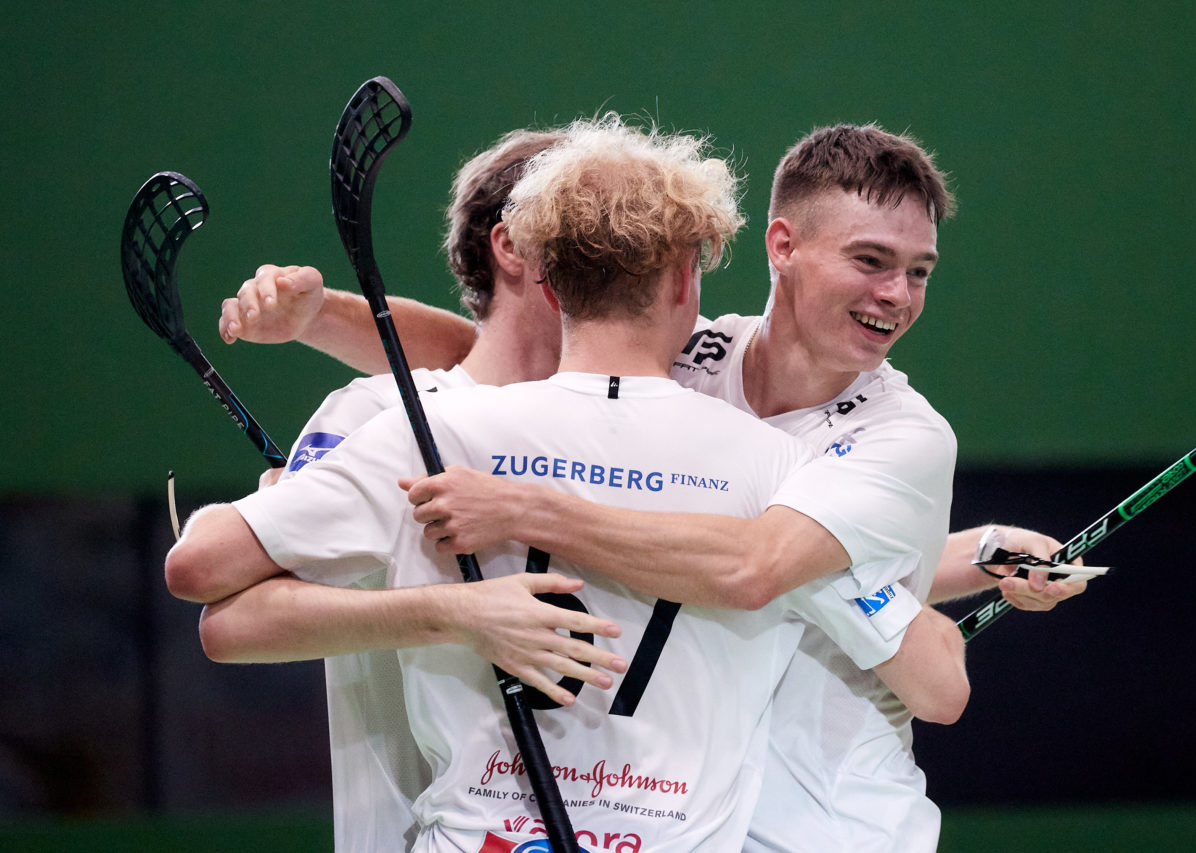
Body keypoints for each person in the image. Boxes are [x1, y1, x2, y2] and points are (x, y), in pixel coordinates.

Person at [169, 115, 941, 851]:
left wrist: (520, 511)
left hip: (815, 826)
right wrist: (322, 317)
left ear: (549, 276)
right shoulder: (757, 435)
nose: (897, 294)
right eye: (871, 260)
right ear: (687, 279)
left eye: (917, 271)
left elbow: (760, 568)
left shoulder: (433, 437)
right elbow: (473, 351)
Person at [194, 128, 629, 853]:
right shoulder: (376, 418)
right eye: (595, 234)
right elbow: (229, 621)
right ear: (512, 248)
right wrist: (455, 613)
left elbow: (484, 364)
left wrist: (326, 314)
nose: (628, 257)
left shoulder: (646, 412)